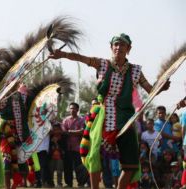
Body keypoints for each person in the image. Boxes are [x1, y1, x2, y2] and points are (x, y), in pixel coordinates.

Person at [49, 33, 169, 188]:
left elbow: (151, 90)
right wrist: (63, 54)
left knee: (131, 165)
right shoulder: (103, 64)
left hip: (126, 120)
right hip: (103, 117)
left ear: (128, 49)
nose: (118, 47)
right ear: (111, 47)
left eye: (122, 45)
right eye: (116, 44)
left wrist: (162, 88)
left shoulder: (136, 71)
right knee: (94, 156)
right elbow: (81, 57)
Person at [61, 102, 89, 187]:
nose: (72, 110)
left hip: (78, 148)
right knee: (67, 167)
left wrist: (70, 132)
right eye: (71, 108)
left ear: (77, 110)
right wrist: (74, 132)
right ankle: (68, 183)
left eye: (74, 108)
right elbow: (64, 132)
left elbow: (83, 131)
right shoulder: (66, 120)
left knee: (80, 167)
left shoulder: (82, 120)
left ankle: (81, 183)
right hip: (68, 148)